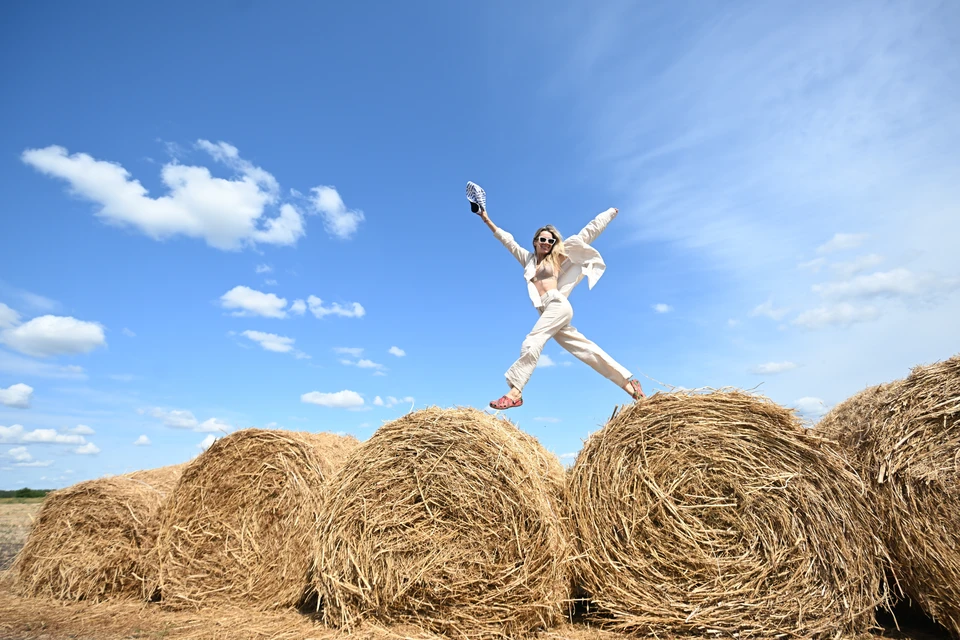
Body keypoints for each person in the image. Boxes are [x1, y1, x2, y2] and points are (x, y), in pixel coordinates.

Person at [467, 181, 645, 410]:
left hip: (557, 304)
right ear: (535, 242)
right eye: (543, 239)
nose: (547, 243)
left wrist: (609, 214)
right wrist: (485, 218)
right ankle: (630, 385)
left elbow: (587, 233)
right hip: (547, 311)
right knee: (585, 349)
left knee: (533, 340)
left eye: (551, 240)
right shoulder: (528, 260)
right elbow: (507, 240)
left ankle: (515, 392)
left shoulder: (558, 258)